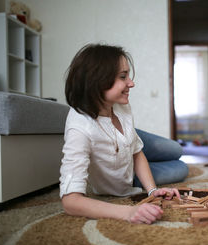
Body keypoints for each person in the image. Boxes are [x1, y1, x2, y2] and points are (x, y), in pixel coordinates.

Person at [59, 44, 188, 224]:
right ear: (98, 80)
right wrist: (128, 212)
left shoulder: (121, 105)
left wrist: (152, 191)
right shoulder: (79, 128)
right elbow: (70, 202)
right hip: (123, 173)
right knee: (181, 169)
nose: (131, 83)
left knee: (176, 149)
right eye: (122, 77)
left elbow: (136, 152)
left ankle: (135, 147)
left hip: (129, 141)